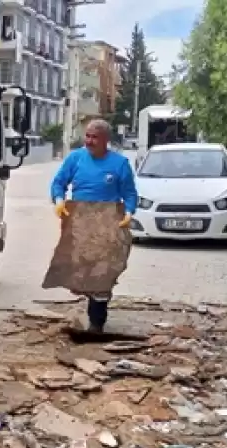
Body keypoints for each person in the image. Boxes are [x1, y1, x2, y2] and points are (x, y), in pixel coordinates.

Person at [49, 119, 138, 333]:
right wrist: (59, 200)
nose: (89, 141)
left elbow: (129, 193)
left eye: (94, 137)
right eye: (87, 136)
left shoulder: (119, 164)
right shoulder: (75, 158)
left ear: (106, 140)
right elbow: (58, 182)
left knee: (103, 271)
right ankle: (92, 297)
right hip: (79, 221)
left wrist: (128, 212)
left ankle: (97, 323)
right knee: (81, 271)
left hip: (108, 221)